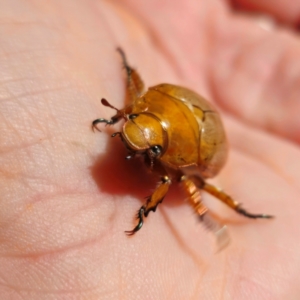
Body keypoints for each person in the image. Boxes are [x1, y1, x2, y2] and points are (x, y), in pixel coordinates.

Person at [1, 0, 299, 299]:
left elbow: (179, 180)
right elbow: (137, 92)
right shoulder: (145, 102)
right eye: (130, 118)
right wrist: (122, 108)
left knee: (182, 184)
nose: (131, 135)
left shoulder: (183, 159)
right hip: (172, 105)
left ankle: (229, 211)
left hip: (202, 139)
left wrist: (152, 209)